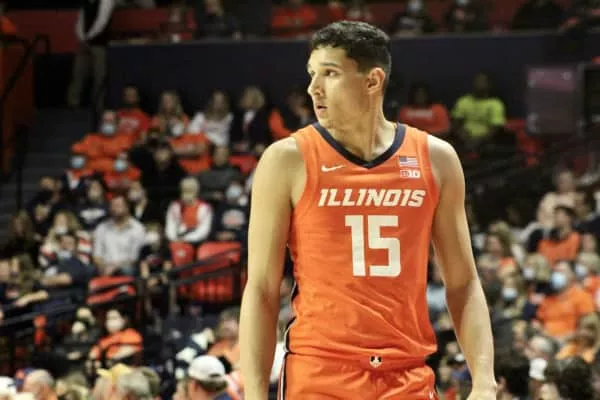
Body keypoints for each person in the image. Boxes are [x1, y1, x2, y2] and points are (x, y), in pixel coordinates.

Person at [239, 21, 496, 399]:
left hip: (406, 374)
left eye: (330, 73)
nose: (313, 88)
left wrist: (485, 381)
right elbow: (261, 289)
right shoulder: (287, 159)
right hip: (319, 374)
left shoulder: (436, 159)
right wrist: (254, 393)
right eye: (312, 74)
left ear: (373, 80)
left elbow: (463, 283)